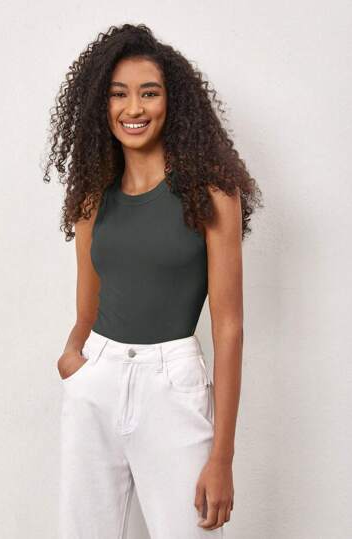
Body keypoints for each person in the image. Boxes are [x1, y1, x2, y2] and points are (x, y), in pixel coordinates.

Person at [43, 23, 262, 539]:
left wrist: (222, 457)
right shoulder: (92, 197)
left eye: (149, 93)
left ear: (172, 102)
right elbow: (87, 308)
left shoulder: (212, 193)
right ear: (101, 105)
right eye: (118, 94)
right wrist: (74, 360)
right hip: (95, 385)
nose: (133, 108)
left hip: (173, 386)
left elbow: (229, 328)